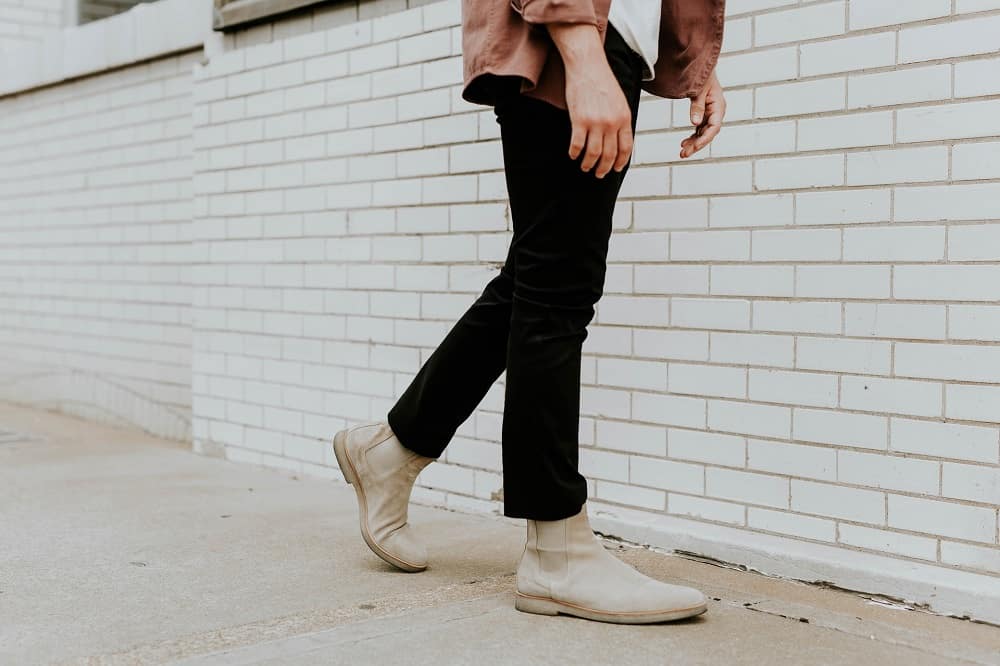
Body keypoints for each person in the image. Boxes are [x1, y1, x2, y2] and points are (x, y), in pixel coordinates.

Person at [333, 0, 727, 624]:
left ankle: (393, 450)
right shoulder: (581, 49)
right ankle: (556, 550)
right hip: (569, 37)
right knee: (556, 292)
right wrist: (583, 55)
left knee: (535, 282)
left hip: (603, 43)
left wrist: (695, 65)